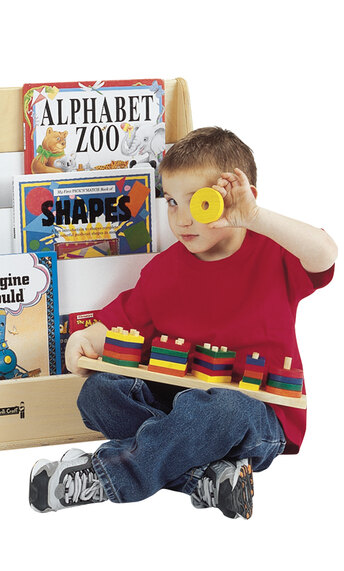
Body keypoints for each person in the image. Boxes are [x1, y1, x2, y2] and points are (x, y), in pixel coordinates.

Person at [29, 127, 337, 519]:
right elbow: (120, 322)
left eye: (200, 203)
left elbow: (325, 255)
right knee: (98, 394)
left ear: (241, 199)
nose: (182, 218)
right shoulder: (166, 269)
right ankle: (207, 477)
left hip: (256, 416)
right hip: (178, 401)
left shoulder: (275, 255)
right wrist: (87, 339)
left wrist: (255, 218)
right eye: (172, 202)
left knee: (217, 409)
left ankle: (105, 476)